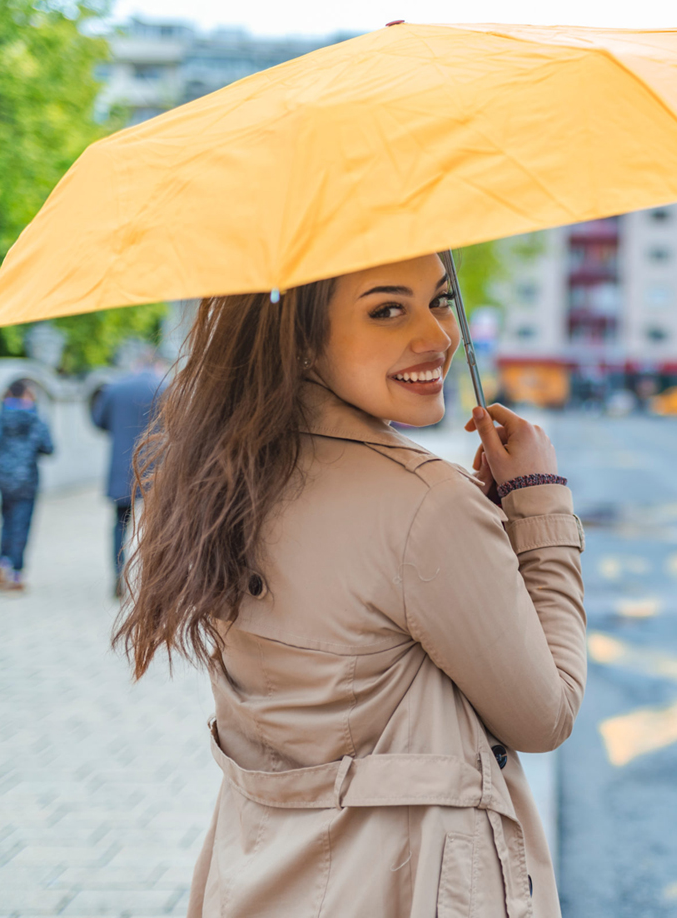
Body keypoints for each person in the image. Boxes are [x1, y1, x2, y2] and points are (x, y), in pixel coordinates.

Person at [113, 253, 586, 917]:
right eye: (387, 309)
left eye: (441, 300)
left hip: (254, 879)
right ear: (300, 337)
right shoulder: (427, 508)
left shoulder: (210, 483)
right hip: (399, 887)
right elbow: (546, 715)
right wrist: (538, 505)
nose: (438, 335)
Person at [92, 357, 166, 596]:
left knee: (119, 522)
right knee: (157, 524)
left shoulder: (114, 387)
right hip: (156, 466)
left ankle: (117, 572)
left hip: (122, 464)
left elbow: (98, 421)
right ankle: (153, 578)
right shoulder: (165, 387)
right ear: (157, 365)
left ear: (135, 364)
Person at [0, 380, 54, 591]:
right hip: (27, 481)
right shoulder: (35, 419)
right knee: (22, 525)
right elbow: (48, 447)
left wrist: (2, 464)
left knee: (6, 522)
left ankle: (1, 562)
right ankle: (15, 573)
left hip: (3, 481)